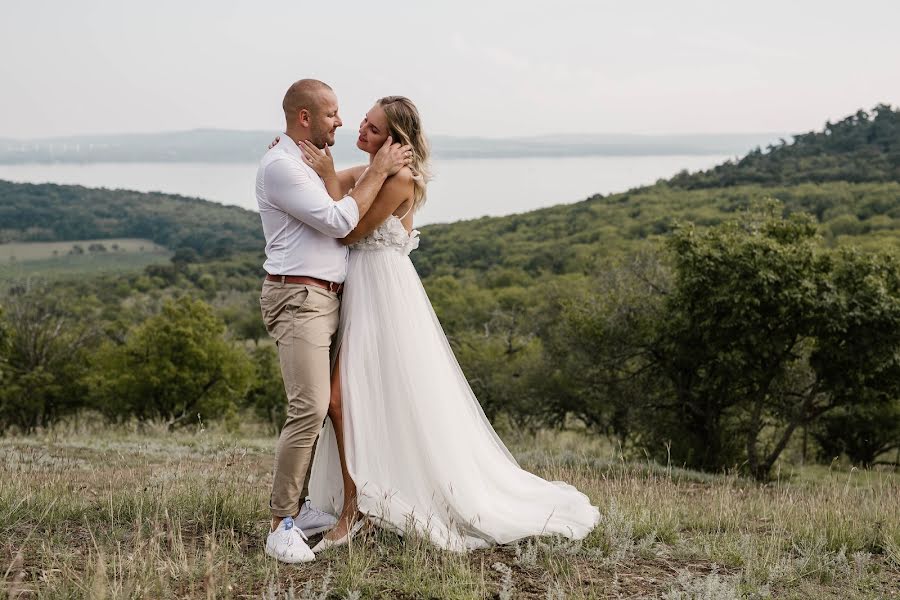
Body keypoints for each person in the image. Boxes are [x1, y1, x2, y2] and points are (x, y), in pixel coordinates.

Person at [301, 96, 601, 553]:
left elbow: (347, 231)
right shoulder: (368, 172)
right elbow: (331, 199)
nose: (362, 129)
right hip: (361, 292)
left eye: (374, 129)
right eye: (364, 121)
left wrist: (337, 175)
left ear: (395, 142)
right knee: (355, 399)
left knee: (342, 398)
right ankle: (360, 498)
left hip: (385, 295)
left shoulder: (398, 177)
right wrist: (303, 159)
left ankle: (356, 505)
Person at [256, 79, 412, 563]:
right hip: (300, 295)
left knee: (332, 406)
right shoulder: (283, 166)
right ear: (305, 118)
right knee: (311, 408)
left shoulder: (297, 158)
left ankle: (309, 508)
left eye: (358, 119)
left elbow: (342, 203)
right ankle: (282, 523)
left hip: (334, 298)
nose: (344, 124)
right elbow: (342, 223)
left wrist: (376, 170)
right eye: (334, 115)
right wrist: (378, 167)